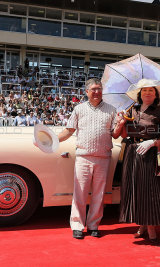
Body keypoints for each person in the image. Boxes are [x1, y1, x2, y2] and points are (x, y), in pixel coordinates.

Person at [58, 78, 122, 239]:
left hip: (103, 157)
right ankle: (77, 225)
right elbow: (68, 131)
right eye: (93, 89)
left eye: (99, 89)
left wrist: (120, 124)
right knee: (80, 192)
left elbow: (115, 134)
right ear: (86, 92)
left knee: (99, 194)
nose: (97, 92)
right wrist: (50, 140)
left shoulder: (112, 110)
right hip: (83, 156)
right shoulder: (79, 109)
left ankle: (94, 225)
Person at [115, 79, 160, 243]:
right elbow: (124, 135)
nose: (148, 93)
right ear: (140, 94)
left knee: (150, 191)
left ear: (156, 94)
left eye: (151, 90)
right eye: (144, 90)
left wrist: (153, 142)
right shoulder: (131, 109)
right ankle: (142, 224)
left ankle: (151, 227)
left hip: (150, 153)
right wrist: (121, 122)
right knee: (135, 191)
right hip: (132, 153)